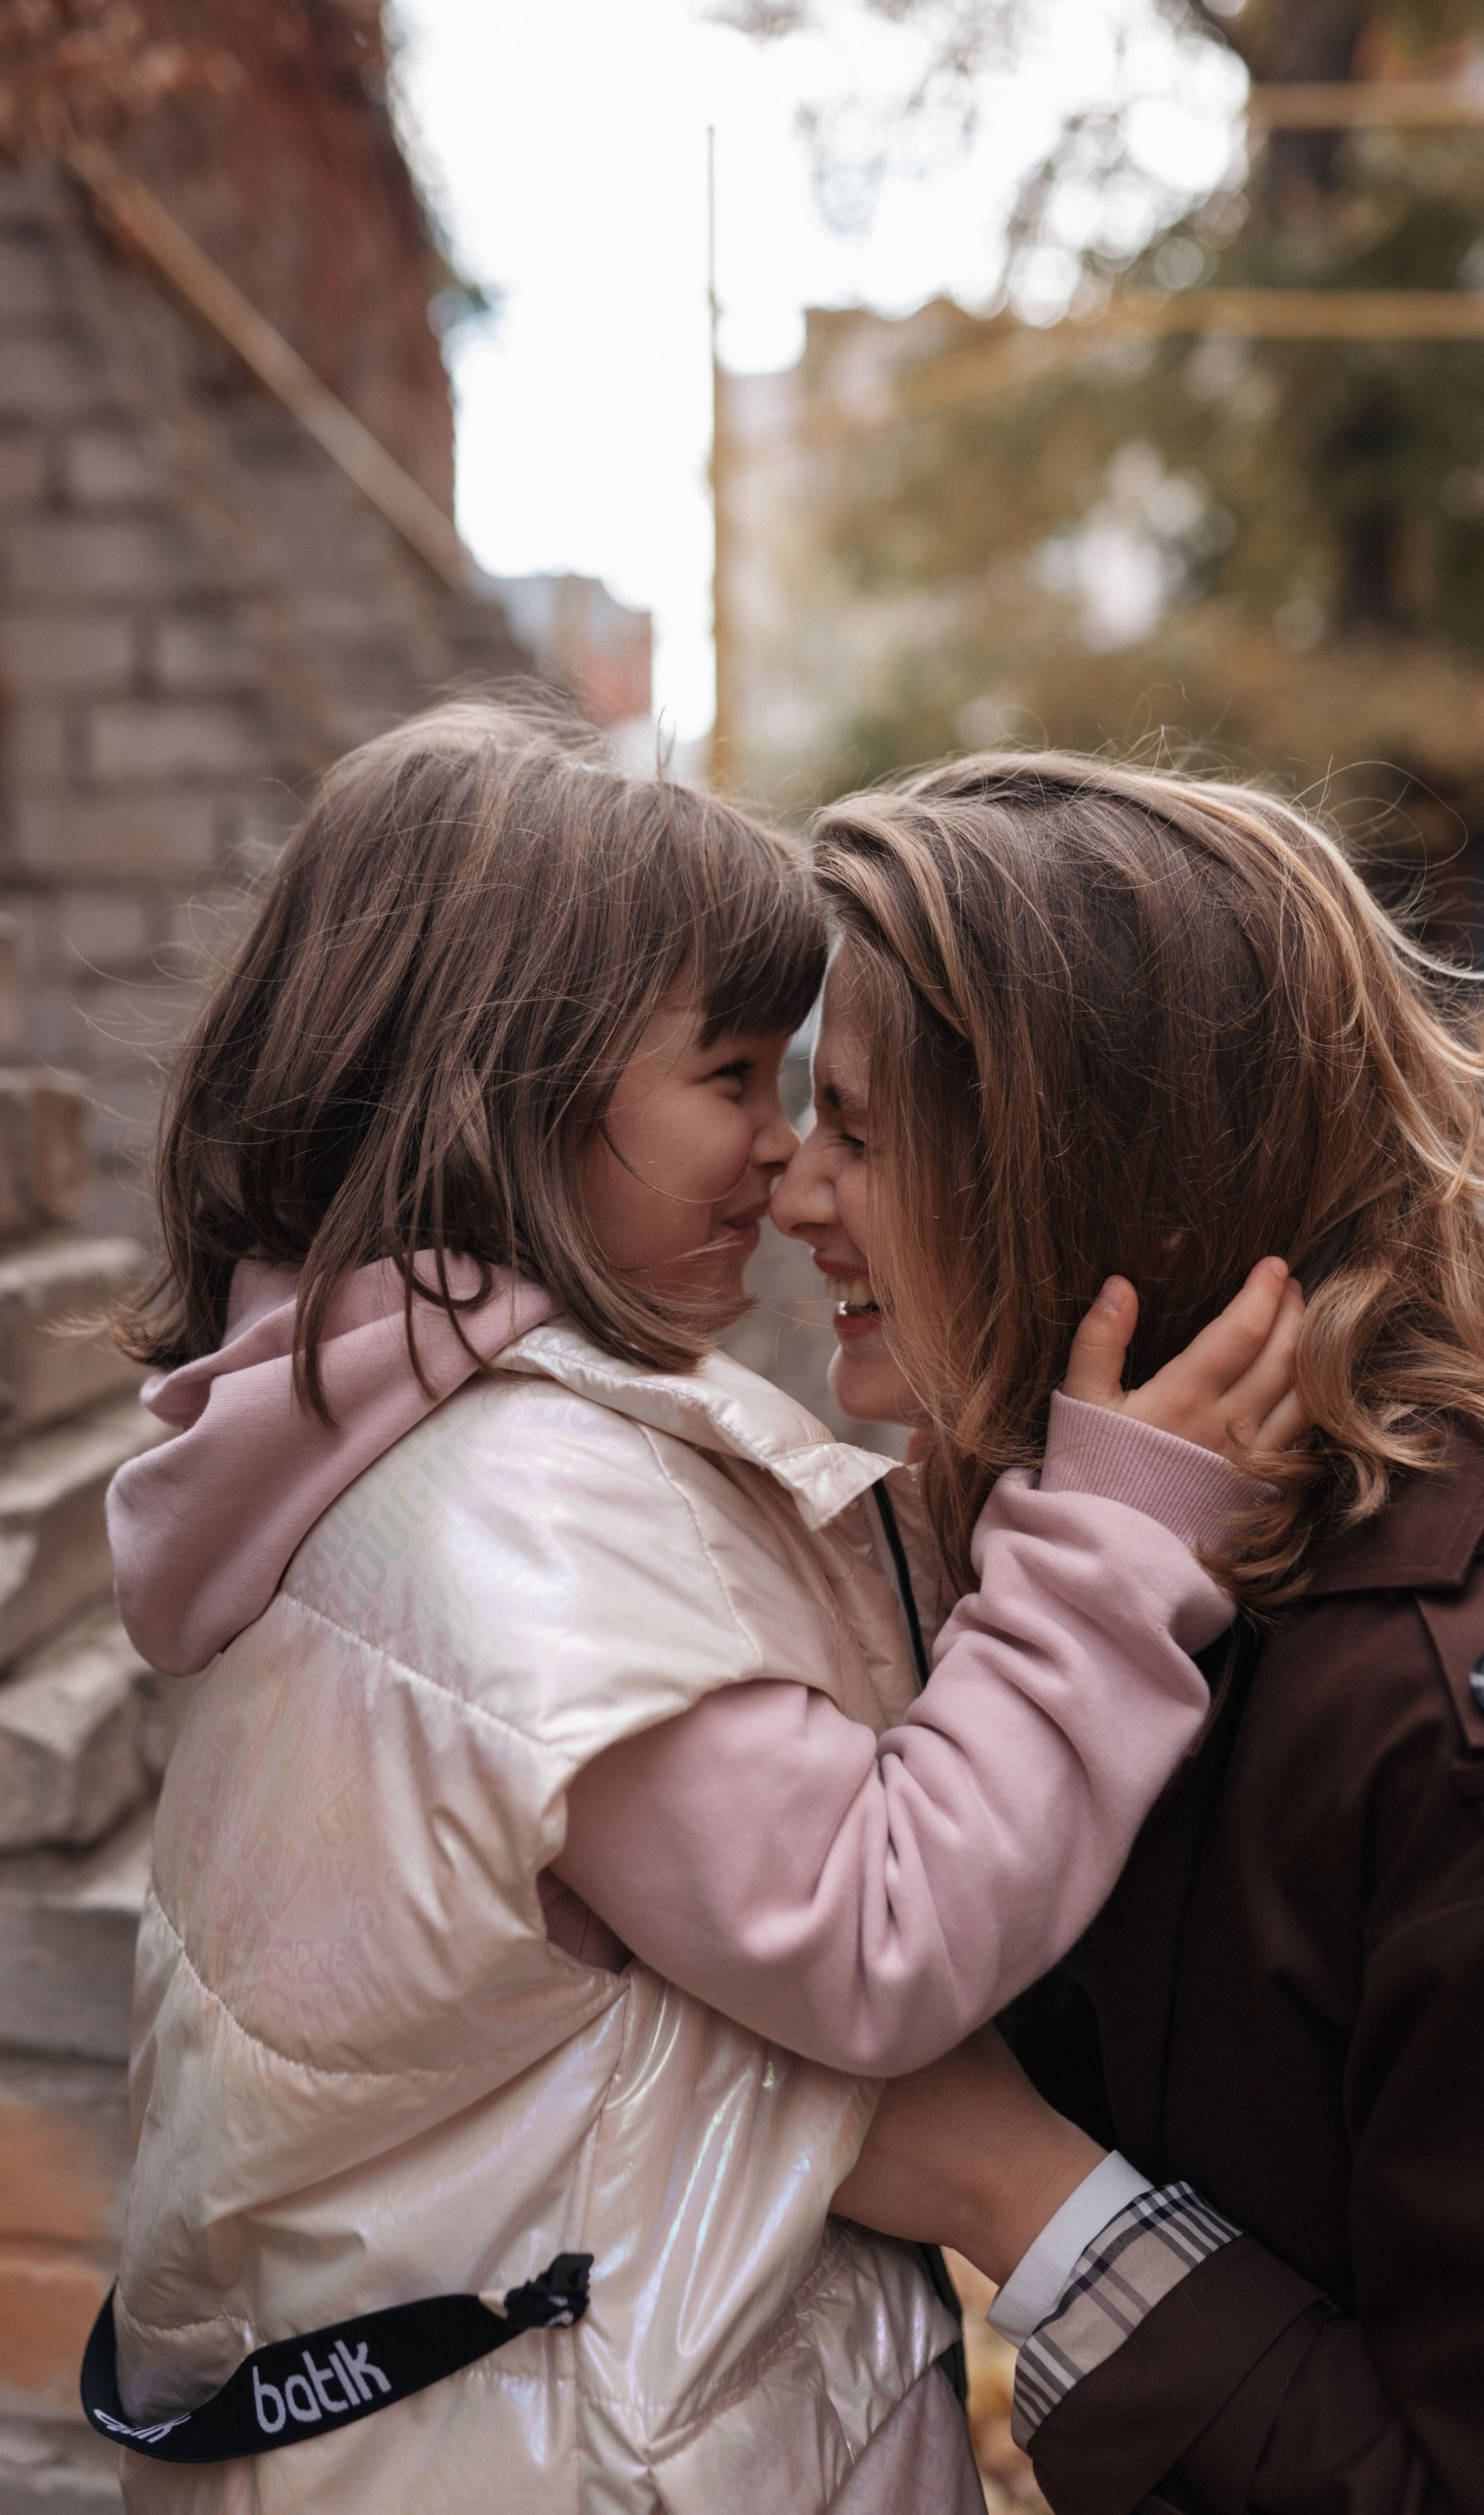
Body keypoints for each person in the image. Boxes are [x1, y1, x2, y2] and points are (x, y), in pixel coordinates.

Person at [101, 700, 1300, 2514]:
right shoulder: (526, 1520)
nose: (782, 1150)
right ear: (508, 1092)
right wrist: (1114, 1548)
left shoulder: (374, 1434)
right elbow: (877, 1928)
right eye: (734, 1076)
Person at [798, 753, 1484, 2515]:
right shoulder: (1154, 1556)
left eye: (858, 1133)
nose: (793, 1193)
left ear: (1112, 1183)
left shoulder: (1428, 1715)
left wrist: (1015, 2193)